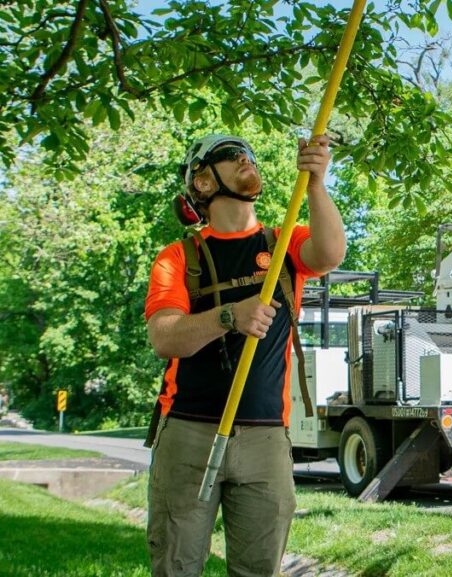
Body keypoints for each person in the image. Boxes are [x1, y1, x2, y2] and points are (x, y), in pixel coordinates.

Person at [144, 133, 345, 577]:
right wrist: (229, 316)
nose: (244, 160)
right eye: (228, 157)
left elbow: (330, 253)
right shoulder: (178, 258)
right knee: (175, 566)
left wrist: (315, 184)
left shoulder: (283, 244)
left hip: (265, 438)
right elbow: (164, 337)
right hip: (188, 435)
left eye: (247, 155)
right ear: (201, 181)